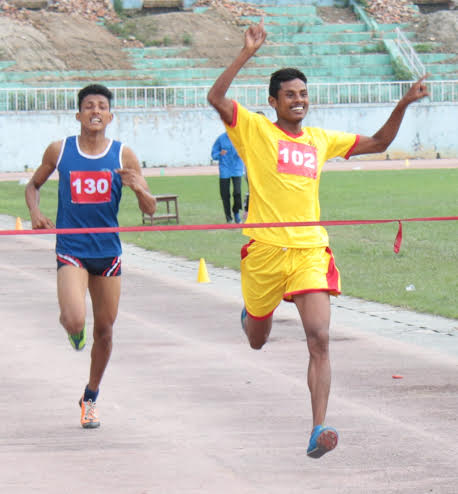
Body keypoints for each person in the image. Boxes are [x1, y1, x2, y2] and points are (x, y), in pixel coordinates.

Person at [207, 19, 429, 458]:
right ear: (273, 101)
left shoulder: (320, 140)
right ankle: (251, 316)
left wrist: (403, 103)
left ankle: (318, 428)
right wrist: (246, 53)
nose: (299, 101)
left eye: (304, 94)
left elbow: (379, 142)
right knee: (257, 339)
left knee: (319, 338)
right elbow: (216, 98)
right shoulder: (254, 130)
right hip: (265, 252)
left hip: (309, 251)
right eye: (290, 95)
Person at [25, 84, 157, 429]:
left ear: (110, 116)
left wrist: (139, 189)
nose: (95, 111)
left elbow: (150, 209)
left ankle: (90, 396)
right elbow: (32, 186)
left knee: (106, 332)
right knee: (74, 320)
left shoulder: (124, 155)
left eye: (101, 106)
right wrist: (35, 213)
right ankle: (72, 328)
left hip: (107, 253)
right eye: (88, 106)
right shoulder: (60, 150)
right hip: (72, 249)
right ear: (78, 114)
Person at [211, 131, 245, 223]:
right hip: (225, 169)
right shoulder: (221, 138)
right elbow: (213, 154)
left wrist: (241, 153)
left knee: (237, 192)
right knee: (225, 194)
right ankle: (228, 217)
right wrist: (220, 154)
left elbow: (247, 151)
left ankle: (236, 213)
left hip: (237, 168)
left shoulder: (240, 137)